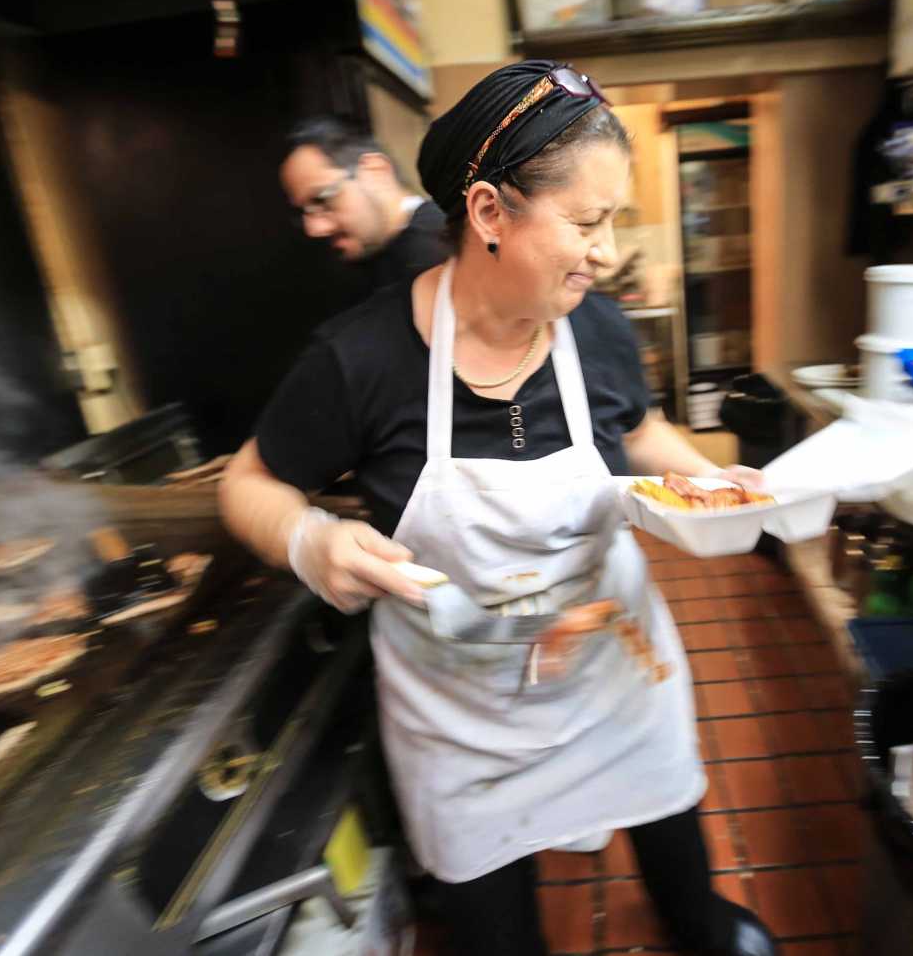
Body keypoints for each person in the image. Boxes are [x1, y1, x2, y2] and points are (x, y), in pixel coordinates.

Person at [223, 60, 778, 956]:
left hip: (613, 671)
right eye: (588, 223)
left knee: (675, 835)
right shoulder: (359, 360)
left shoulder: (592, 324)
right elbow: (246, 483)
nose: (604, 252)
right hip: (461, 718)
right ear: (487, 212)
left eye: (611, 221)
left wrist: (712, 478)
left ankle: (698, 923)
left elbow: (639, 428)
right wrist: (307, 538)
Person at [281, 117, 447, 309]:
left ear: (375, 172)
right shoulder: (374, 260)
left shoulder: (448, 252)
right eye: (303, 211)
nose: (314, 228)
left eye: (322, 199)